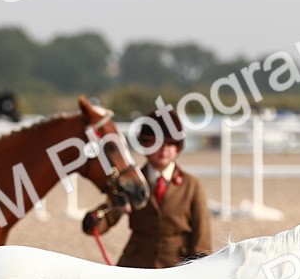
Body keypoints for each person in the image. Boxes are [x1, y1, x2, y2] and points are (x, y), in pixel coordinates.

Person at [81, 110, 213, 268]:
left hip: (177, 266)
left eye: (170, 143)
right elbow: (106, 219)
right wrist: (95, 219)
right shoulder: (130, 182)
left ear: (178, 147)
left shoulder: (192, 185)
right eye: (156, 143)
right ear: (144, 144)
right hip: (135, 265)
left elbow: (201, 232)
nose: (164, 149)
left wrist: (201, 267)